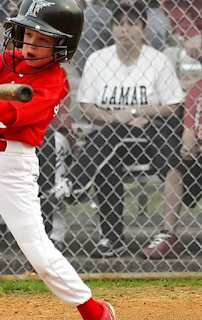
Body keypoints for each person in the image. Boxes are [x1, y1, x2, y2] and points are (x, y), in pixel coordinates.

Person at [0, 0, 117, 319]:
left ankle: (93, 310)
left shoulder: (54, 82)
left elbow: (15, 114)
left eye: (43, 39)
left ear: (62, 45)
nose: (31, 45)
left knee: (39, 253)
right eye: (27, 35)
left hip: (12, 168)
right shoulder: (12, 58)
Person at [48, 0, 184, 258]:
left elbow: (173, 106)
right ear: (110, 29)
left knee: (106, 141)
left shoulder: (157, 61)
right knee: (107, 152)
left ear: (144, 30)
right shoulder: (98, 60)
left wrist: (136, 112)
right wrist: (115, 117)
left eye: (132, 24)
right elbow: (87, 106)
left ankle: (74, 185)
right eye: (118, 24)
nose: (125, 30)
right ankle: (112, 240)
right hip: (111, 140)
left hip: (149, 139)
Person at [140, 0, 202, 259]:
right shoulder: (197, 88)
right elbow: (191, 113)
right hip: (195, 155)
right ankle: (169, 233)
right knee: (175, 164)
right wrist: (189, 134)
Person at [73, 0, 174, 75]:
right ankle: (94, 82)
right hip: (105, 6)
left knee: (153, 32)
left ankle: (143, 81)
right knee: (79, 26)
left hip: (149, 7)